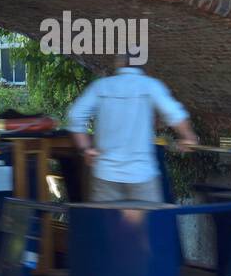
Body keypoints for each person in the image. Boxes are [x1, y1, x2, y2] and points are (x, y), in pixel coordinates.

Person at [65, 54, 199, 202]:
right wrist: (188, 137)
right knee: (148, 224)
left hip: (106, 174)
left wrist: (85, 149)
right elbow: (175, 115)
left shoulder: (101, 86)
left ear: (119, 62)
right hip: (141, 175)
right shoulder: (151, 86)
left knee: (108, 224)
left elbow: (75, 116)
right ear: (142, 65)